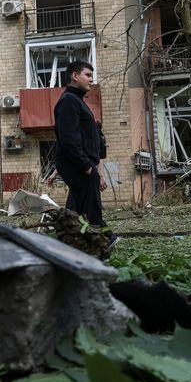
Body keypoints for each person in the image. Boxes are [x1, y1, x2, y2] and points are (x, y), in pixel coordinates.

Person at [50, 60, 120, 248]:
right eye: (87, 75)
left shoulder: (76, 101)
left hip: (82, 164)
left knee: (76, 210)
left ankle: (64, 244)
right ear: (75, 76)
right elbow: (68, 138)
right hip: (80, 166)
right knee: (91, 210)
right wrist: (86, 166)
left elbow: (81, 137)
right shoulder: (68, 101)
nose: (91, 79)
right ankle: (105, 240)